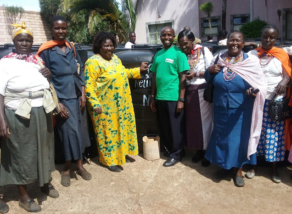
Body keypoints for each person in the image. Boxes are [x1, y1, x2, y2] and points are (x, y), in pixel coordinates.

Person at [0, 22, 58, 212]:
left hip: (42, 110)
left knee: (44, 149)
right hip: (19, 113)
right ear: (14, 41)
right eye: (21, 40)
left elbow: (43, 84)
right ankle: (24, 196)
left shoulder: (36, 60)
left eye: (28, 40)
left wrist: (47, 76)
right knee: (21, 154)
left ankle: (44, 182)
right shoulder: (5, 62)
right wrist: (1, 118)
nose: (25, 43)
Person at [204, 30, 267, 187]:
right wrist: (209, 71)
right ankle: (224, 167)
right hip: (220, 107)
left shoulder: (250, 61)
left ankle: (238, 170)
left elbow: (259, 84)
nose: (234, 43)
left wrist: (253, 92)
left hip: (241, 108)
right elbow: (208, 78)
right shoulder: (219, 58)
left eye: (238, 40)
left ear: (243, 43)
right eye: (231, 40)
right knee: (221, 138)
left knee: (239, 140)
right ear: (227, 42)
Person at [37, 16, 92, 187]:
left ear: (67, 29)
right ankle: (67, 168)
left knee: (80, 132)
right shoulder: (46, 51)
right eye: (57, 28)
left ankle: (80, 165)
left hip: (76, 96)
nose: (61, 31)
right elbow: (43, 80)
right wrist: (56, 103)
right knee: (67, 134)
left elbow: (80, 70)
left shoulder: (71, 47)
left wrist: (83, 93)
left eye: (64, 28)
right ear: (52, 30)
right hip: (60, 97)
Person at [85, 32, 149, 172]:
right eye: (105, 45)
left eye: (111, 45)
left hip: (121, 104)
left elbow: (122, 73)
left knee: (121, 130)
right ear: (99, 46)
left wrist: (138, 70)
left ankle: (120, 155)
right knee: (107, 133)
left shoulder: (115, 59)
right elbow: (88, 85)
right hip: (104, 106)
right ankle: (109, 160)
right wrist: (95, 104)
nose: (109, 48)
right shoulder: (93, 62)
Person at [246, 25, 291, 183]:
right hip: (256, 101)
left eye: (272, 37)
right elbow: (245, 75)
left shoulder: (281, 54)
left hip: (275, 102)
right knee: (255, 133)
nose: (268, 40)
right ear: (261, 37)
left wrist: (285, 81)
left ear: (276, 39)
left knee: (273, 136)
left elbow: (288, 73)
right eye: (265, 36)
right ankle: (253, 166)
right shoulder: (252, 54)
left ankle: (274, 169)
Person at [150, 27, 190, 167]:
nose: (166, 37)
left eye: (169, 35)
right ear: (160, 37)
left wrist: (181, 99)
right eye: (164, 35)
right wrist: (153, 96)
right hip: (160, 97)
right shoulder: (158, 54)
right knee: (165, 127)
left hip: (173, 97)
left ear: (174, 37)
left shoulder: (179, 54)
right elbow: (154, 75)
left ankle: (176, 155)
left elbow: (183, 76)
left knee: (175, 128)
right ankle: (171, 151)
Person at [177, 30, 213, 166]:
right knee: (193, 123)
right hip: (188, 91)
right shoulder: (181, 54)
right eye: (181, 44)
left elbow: (212, 70)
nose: (183, 46)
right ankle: (199, 149)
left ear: (192, 41)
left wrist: (196, 73)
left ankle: (207, 153)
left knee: (205, 122)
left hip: (201, 90)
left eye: (185, 43)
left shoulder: (204, 51)